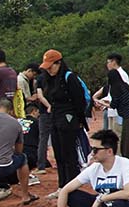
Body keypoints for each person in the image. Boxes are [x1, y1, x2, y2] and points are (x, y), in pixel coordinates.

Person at [39, 50, 92, 189]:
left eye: (51, 66)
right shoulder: (49, 79)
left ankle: (71, 186)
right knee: (59, 154)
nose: (49, 70)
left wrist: (79, 120)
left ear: (59, 63)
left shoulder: (70, 78)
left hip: (69, 119)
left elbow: (79, 101)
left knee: (69, 154)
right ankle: (62, 186)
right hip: (55, 118)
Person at [102, 54, 129, 166]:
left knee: (128, 139)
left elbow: (114, 104)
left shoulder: (115, 87)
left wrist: (102, 103)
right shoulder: (124, 85)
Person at [20, 63, 52, 176]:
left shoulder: (19, 121)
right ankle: (42, 164)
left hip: (20, 154)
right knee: (45, 139)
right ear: (34, 111)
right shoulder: (36, 122)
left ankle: (41, 165)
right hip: (32, 155)